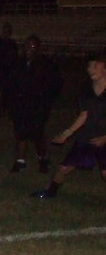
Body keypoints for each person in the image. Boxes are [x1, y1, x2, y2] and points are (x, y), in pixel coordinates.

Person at [32, 52, 106, 199]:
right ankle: (49, 193)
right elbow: (84, 115)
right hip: (87, 136)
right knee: (63, 168)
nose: (90, 69)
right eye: (89, 66)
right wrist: (66, 134)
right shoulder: (86, 89)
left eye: (95, 65)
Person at [6, 35, 62, 173]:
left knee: (37, 133)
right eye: (26, 46)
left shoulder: (45, 64)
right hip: (21, 105)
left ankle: (43, 159)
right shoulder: (19, 63)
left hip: (38, 106)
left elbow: (55, 84)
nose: (28, 49)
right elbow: (11, 84)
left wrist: (46, 101)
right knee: (21, 133)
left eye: (32, 46)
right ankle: (20, 161)